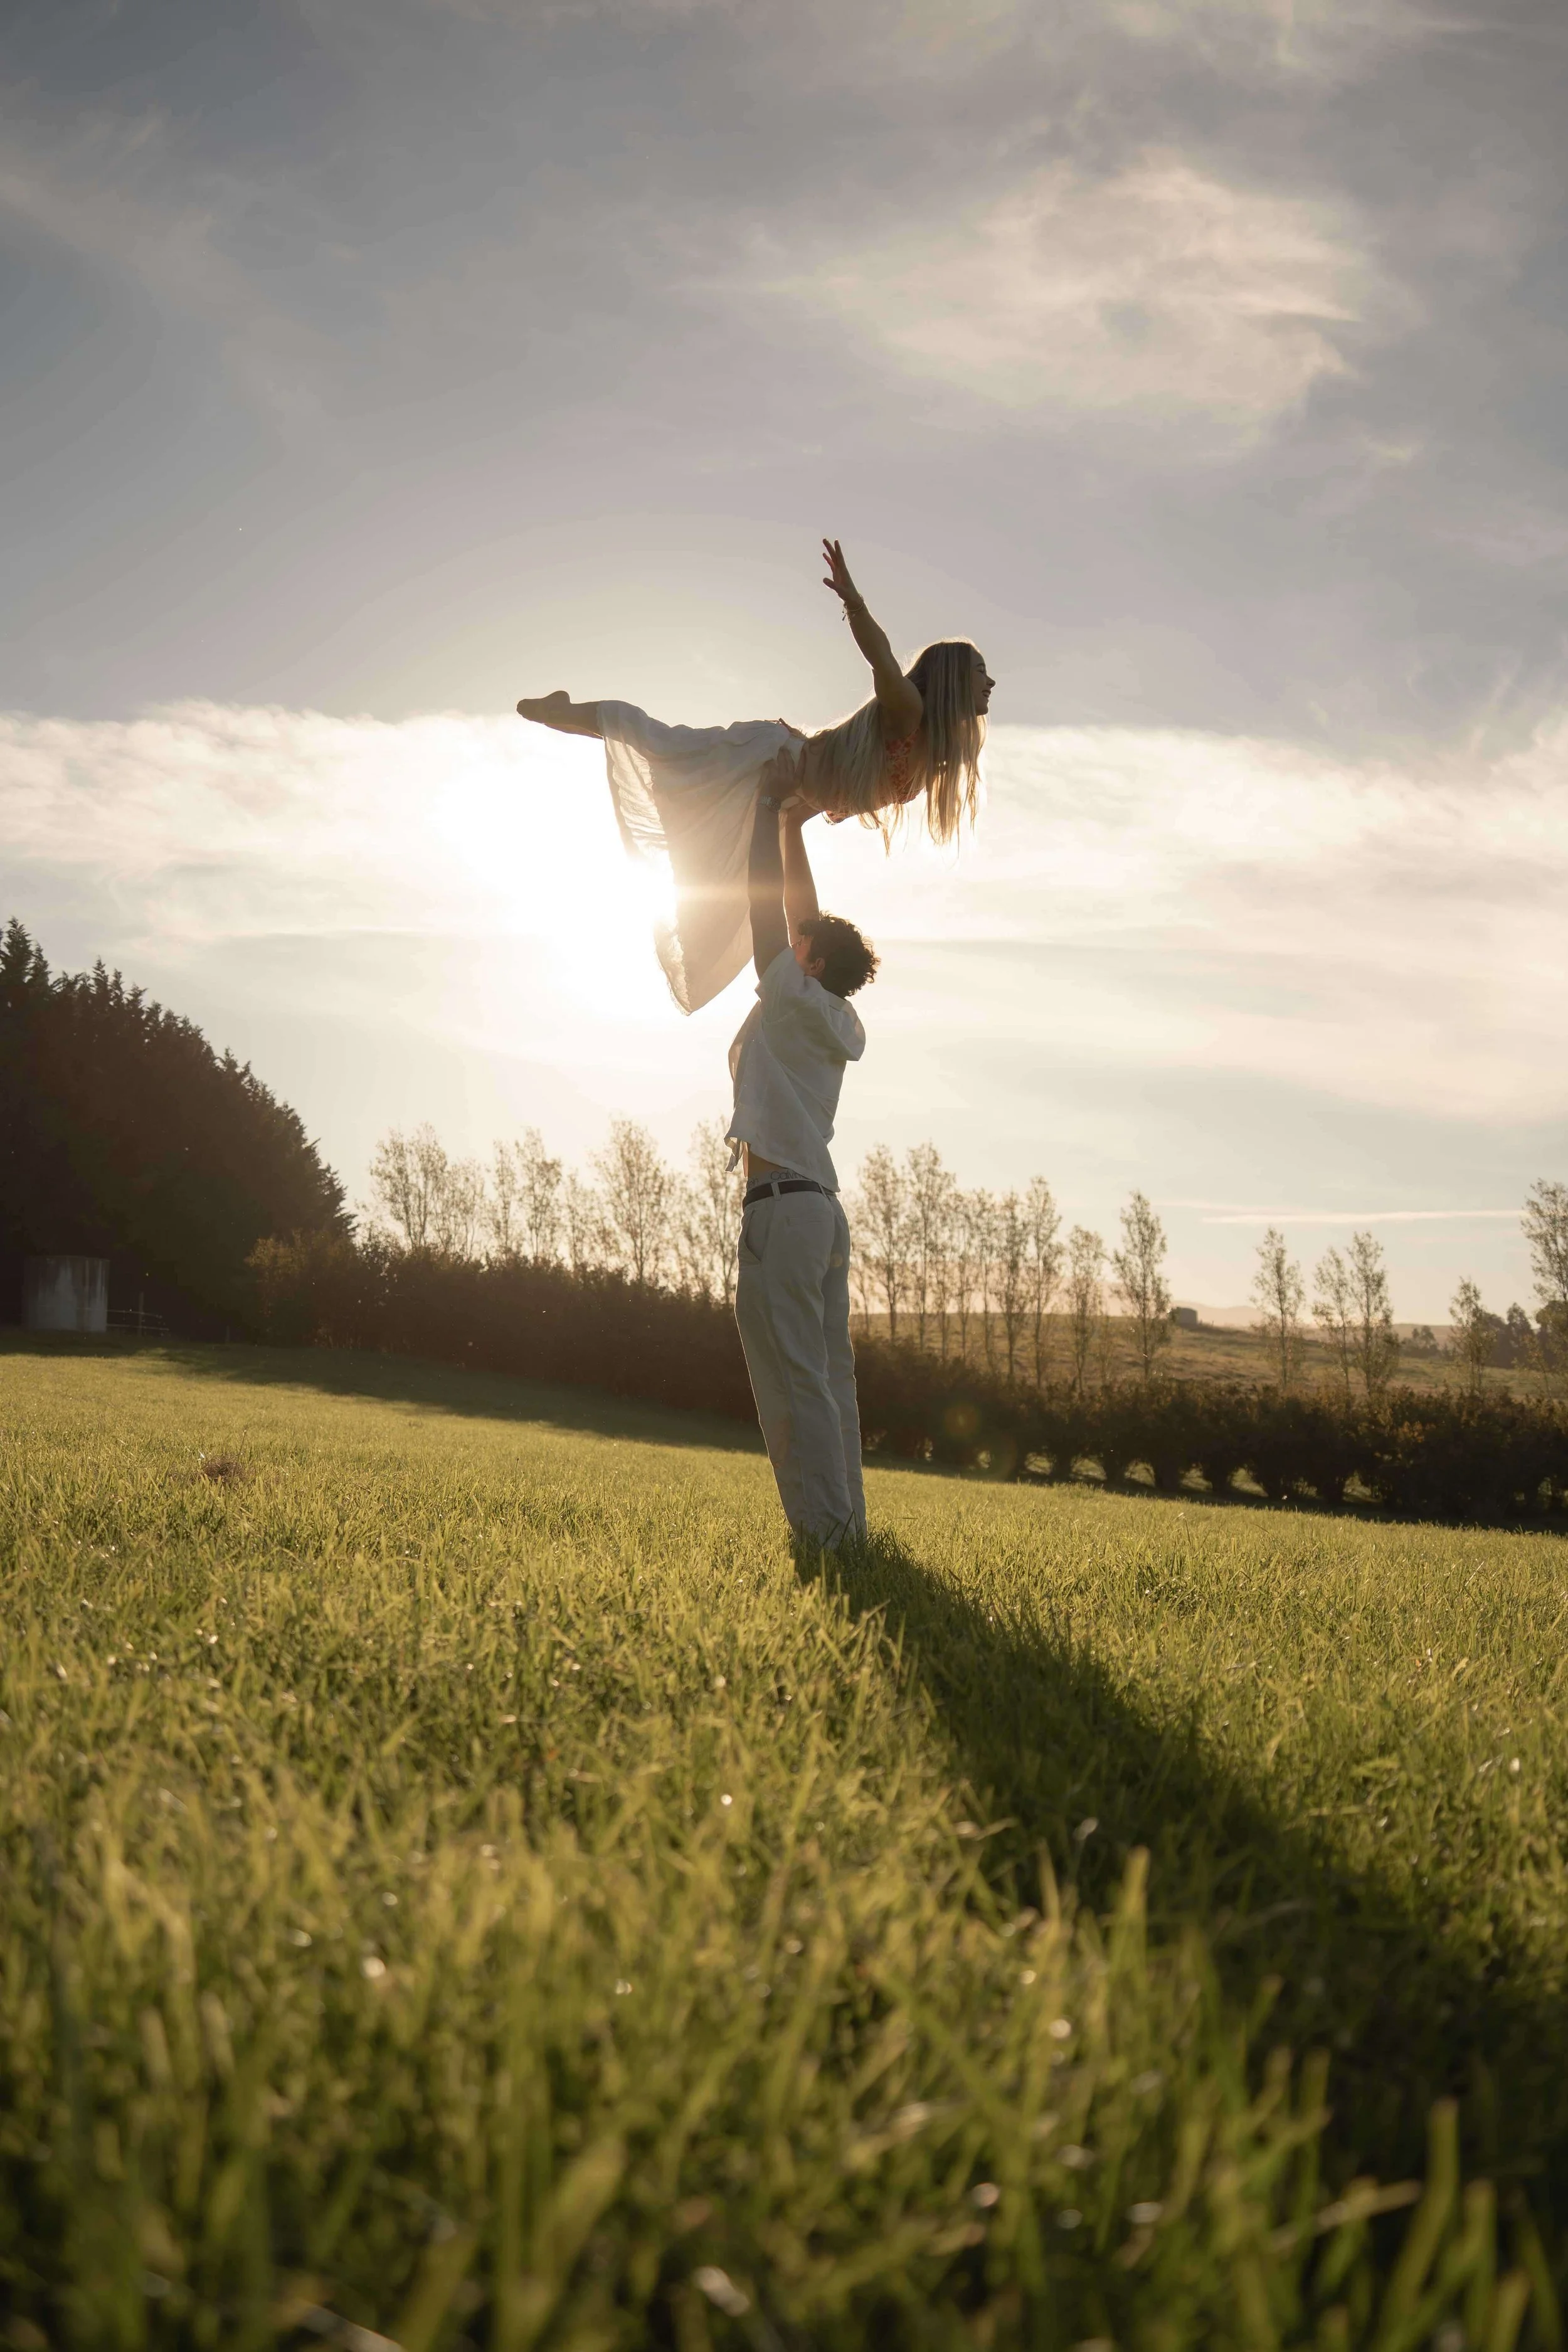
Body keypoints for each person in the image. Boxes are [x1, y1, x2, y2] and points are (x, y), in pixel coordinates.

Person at [517, 539, 993, 1012]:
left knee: (728, 888)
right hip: (769, 758)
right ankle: (564, 711)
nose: (989, 682)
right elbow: (884, 663)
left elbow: (799, 835)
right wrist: (855, 605)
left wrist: (803, 921)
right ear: (951, 678)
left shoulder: (929, 768)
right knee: (665, 747)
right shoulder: (909, 713)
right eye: (979, 671)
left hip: (784, 789)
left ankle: (567, 714)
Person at [724, 767, 878, 1550]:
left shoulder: (791, 998)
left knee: (792, 1380)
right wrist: (791, 827)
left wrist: (763, 815)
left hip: (784, 1209)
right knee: (829, 1383)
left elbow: (772, 911)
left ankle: (825, 1539)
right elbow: (801, 917)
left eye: (799, 944)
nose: (788, 941)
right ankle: (846, 1530)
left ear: (811, 963)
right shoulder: (834, 1018)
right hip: (819, 1210)